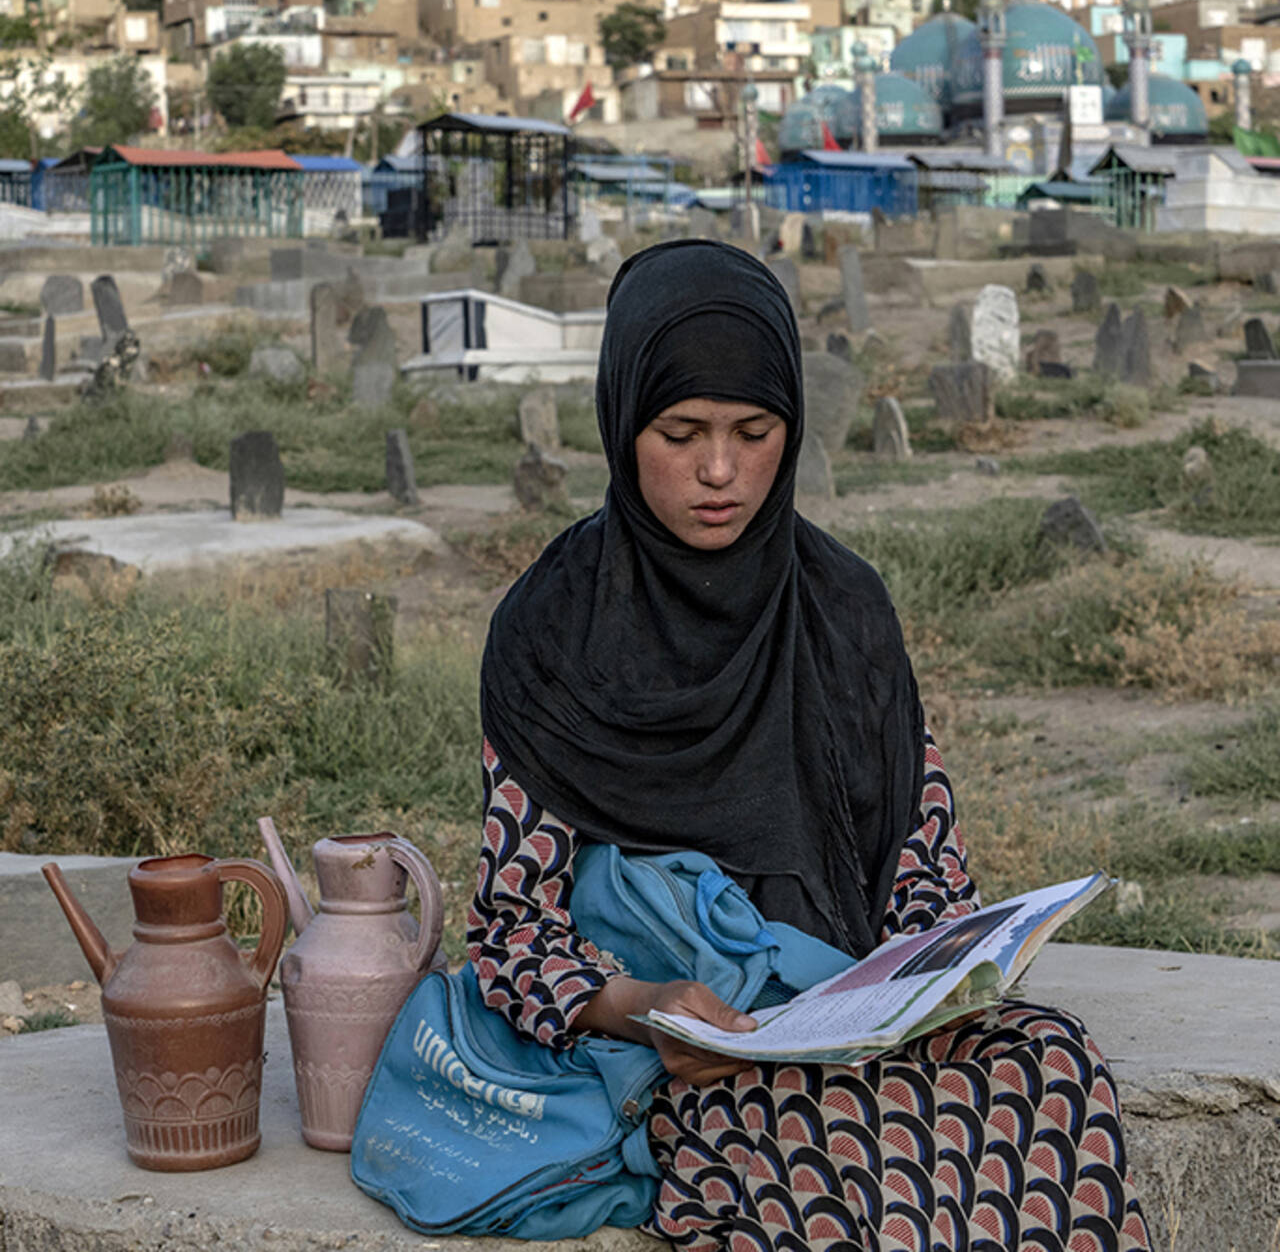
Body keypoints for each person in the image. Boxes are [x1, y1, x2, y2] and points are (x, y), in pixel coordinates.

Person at [469, 240, 1150, 1251]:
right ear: (619, 423)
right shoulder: (554, 634)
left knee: (1044, 1060)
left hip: (854, 1014)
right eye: (679, 431)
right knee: (812, 1126)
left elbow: (926, 863)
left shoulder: (842, 609)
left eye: (754, 431)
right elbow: (511, 926)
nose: (718, 469)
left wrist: (922, 979)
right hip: (692, 1055)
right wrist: (644, 1006)